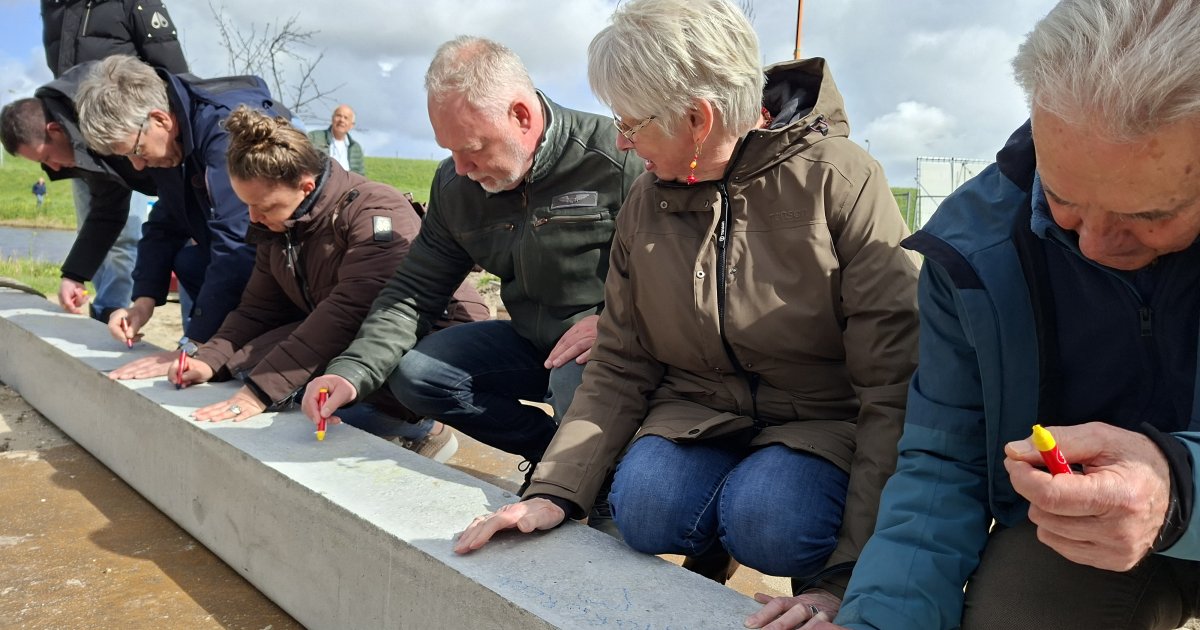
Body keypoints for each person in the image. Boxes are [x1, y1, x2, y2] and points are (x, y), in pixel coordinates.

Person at [454, 2, 919, 627]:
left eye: (631, 123)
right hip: (698, 412)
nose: (620, 140)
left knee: (771, 519)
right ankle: (714, 542)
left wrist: (847, 579)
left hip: (820, 421)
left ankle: (801, 568)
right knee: (644, 508)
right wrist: (554, 492)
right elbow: (621, 359)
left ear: (696, 120)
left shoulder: (840, 181)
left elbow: (892, 388)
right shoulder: (645, 200)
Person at [793, 2, 1200, 630]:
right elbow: (943, 457)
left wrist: (1181, 491)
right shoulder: (972, 251)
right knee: (1015, 609)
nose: (1092, 246)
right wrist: (877, 621)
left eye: (1148, 217)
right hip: (1076, 542)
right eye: (1062, 199)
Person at [301, 36, 643, 482]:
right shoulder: (455, 188)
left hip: (611, 347)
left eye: (473, 148)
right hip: (532, 344)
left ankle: (603, 487)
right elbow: (413, 293)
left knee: (574, 377)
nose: (460, 168)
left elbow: (678, 273)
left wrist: (617, 321)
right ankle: (550, 455)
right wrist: (352, 371)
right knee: (417, 374)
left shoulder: (618, 161)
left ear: (521, 116)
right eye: (449, 150)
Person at [166, 105, 487, 460]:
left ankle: (422, 430)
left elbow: (349, 311)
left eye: (263, 206)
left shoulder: (375, 212)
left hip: (427, 334)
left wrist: (258, 394)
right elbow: (258, 309)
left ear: (305, 186)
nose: (253, 218)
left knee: (305, 397)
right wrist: (207, 360)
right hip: (349, 329)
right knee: (245, 367)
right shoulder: (280, 226)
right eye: (247, 207)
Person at [73, 55, 287, 377]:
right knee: (189, 260)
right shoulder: (174, 142)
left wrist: (192, 343)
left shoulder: (224, 133)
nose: (138, 166)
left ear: (159, 119)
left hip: (288, 267)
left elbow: (238, 246)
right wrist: (142, 302)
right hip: (246, 261)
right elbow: (166, 220)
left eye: (136, 151)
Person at [40, 0, 190, 323]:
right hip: (85, 140)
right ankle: (108, 314)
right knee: (96, 225)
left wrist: (180, 142)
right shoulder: (53, 7)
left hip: (138, 134)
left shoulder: (131, 3)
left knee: (140, 231)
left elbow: (172, 67)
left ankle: (192, 329)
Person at [0, 62, 158, 321]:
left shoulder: (104, 117)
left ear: (55, 130)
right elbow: (108, 210)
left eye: (48, 156)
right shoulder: (80, 145)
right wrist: (74, 274)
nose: (53, 167)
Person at [308, 105, 364, 175]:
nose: (341, 120)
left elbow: (360, 174)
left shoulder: (355, 147)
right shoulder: (314, 137)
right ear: (332, 118)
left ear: (352, 125)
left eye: (346, 118)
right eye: (338, 116)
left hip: (347, 184)